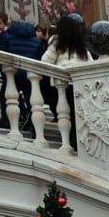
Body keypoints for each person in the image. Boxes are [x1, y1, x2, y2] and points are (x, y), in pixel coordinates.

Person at [41, 13, 92, 150]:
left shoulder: (57, 41)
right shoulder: (81, 44)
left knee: (66, 113)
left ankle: (70, 139)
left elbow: (45, 61)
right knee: (77, 114)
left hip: (62, 84)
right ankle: (78, 140)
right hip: (80, 84)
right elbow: (90, 63)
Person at [0, 20, 44, 129]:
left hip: (12, 73)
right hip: (29, 74)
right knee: (31, 100)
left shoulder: (5, 36)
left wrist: (4, 75)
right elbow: (39, 57)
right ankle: (34, 125)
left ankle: (6, 120)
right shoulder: (36, 40)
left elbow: (0, 56)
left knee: (5, 95)